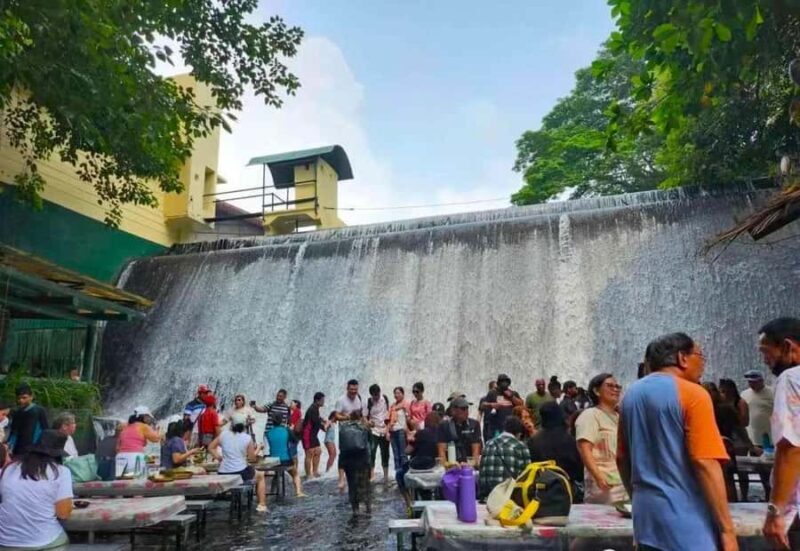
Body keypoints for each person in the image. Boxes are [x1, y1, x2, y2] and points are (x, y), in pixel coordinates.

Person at [618, 333, 735, 551]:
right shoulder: (694, 394)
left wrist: (638, 502)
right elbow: (705, 463)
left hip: (645, 520)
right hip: (688, 523)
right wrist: (727, 531)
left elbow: (622, 458)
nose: (703, 363)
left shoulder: (629, 396)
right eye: (700, 356)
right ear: (682, 358)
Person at [757, 317, 800, 549]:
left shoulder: (791, 378)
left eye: (767, 352)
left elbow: (791, 447)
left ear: (787, 346)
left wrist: (775, 511)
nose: (765, 361)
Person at [0, 430, 73, 549]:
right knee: (61, 532)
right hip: (43, 541)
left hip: (5, 541)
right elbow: (63, 514)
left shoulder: (9, 468)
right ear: (58, 454)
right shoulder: (61, 472)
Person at [575, 373, 627, 505]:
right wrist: (598, 477)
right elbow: (584, 448)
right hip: (604, 486)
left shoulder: (619, 417)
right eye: (610, 386)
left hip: (624, 483)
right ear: (596, 391)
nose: (615, 389)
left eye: (617, 387)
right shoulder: (590, 415)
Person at [210, 413, 268, 512]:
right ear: (244, 425)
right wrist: (258, 448)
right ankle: (262, 505)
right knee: (261, 475)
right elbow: (252, 458)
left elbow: (210, 447)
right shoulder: (247, 438)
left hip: (223, 472)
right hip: (240, 472)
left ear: (232, 424)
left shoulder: (223, 434)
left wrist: (219, 458)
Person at [527, 402, 583, 496]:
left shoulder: (534, 440)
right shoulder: (569, 438)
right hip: (567, 488)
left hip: (542, 490)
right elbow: (579, 469)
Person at [479, 416, 531, 499]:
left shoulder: (488, 443)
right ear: (519, 433)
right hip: (507, 496)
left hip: (487, 495)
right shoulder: (520, 446)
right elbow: (527, 475)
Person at [338, 410, 372, 516]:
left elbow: (341, 448)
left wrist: (341, 470)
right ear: (361, 418)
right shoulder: (364, 428)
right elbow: (369, 446)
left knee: (352, 485)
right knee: (365, 484)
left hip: (348, 462)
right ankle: (367, 508)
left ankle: (355, 510)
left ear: (350, 418)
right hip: (362, 460)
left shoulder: (343, 429)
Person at [266, 412, 305, 497]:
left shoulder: (268, 432)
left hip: (273, 461)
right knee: (295, 474)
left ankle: (272, 491)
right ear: (281, 421)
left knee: (277, 473)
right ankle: (298, 492)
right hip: (285, 460)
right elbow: (295, 440)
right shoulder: (286, 430)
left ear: (272, 421)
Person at [7, 383, 49, 457]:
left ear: (31, 397)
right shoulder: (17, 412)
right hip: (18, 451)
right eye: (19, 398)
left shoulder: (39, 411)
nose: (21, 400)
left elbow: (45, 430)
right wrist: (10, 446)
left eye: (24, 398)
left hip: (34, 450)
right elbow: (14, 432)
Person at [117, 406, 161, 475]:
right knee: (139, 480)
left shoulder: (123, 426)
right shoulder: (143, 426)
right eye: (149, 417)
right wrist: (158, 430)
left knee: (122, 481)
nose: (150, 420)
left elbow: (117, 447)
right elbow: (156, 439)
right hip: (135, 458)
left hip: (120, 458)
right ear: (144, 417)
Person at [437, 397, 482, 464]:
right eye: (463, 409)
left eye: (467, 408)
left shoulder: (474, 424)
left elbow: (475, 451)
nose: (466, 411)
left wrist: (472, 465)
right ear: (453, 410)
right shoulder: (444, 426)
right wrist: (446, 467)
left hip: (468, 464)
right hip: (451, 464)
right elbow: (441, 452)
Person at [480, 374, 523, 441]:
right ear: (498, 383)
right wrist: (491, 405)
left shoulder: (513, 393)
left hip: (510, 427)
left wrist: (511, 397)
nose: (504, 384)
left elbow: (521, 404)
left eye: (506, 381)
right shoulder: (492, 393)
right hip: (496, 427)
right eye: (502, 381)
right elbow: (482, 405)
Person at [364, 384, 390, 482]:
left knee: (385, 453)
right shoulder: (369, 402)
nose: (376, 397)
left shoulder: (385, 399)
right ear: (371, 395)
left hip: (384, 430)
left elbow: (389, 414)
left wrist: (388, 430)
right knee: (372, 453)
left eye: (377, 394)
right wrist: (368, 423)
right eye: (374, 395)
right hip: (373, 431)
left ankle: (386, 476)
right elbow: (365, 417)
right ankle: (372, 475)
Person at [741, 369, 774, 447]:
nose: (752, 384)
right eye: (750, 382)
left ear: (762, 381)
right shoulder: (744, 394)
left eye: (754, 382)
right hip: (752, 438)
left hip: (770, 436)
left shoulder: (773, 392)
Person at [387, 386, 411, 484]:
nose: (396, 395)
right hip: (393, 431)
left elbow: (409, 417)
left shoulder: (406, 405)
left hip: (401, 431)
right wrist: (387, 431)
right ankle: (398, 475)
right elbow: (388, 419)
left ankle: (405, 474)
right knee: (396, 455)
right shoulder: (392, 406)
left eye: (398, 393)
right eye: (395, 393)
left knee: (403, 454)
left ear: (403, 394)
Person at [302, 392, 325, 479]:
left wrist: (321, 420)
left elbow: (316, 420)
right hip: (307, 434)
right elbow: (316, 423)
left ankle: (315, 472)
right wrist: (324, 427)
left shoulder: (315, 408)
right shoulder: (312, 409)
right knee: (309, 454)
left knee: (318, 451)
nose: (323, 402)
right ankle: (308, 474)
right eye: (322, 400)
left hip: (313, 435)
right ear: (317, 400)